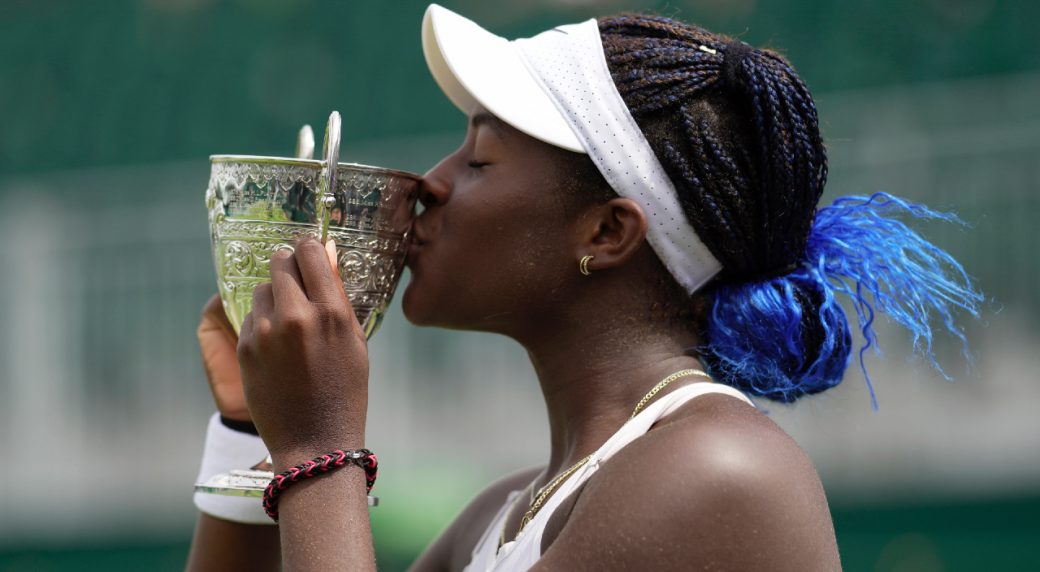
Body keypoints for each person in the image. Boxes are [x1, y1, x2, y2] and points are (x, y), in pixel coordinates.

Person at [186, 4, 981, 571]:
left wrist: (320, 450)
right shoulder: (500, 518)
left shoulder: (722, 475)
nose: (431, 184)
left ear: (607, 232)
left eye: (480, 158)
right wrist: (253, 432)